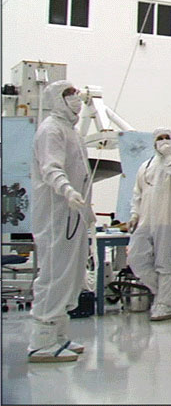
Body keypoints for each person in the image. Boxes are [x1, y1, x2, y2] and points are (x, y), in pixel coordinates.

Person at [27, 80, 94, 362]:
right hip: (57, 213)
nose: (76, 98)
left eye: (76, 93)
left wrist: (86, 210)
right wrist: (67, 191)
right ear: (56, 99)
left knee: (73, 274)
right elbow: (51, 168)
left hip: (74, 214)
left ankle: (59, 334)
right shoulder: (51, 129)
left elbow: (82, 173)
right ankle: (41, 340)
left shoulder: (71, 131)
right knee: (55, 273)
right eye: (69, 94)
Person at [127, 128, 171, 321]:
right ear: (154, 142)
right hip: (146, 220)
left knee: (167, 264)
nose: (164, 141)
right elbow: (138, 193)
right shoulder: (145, 166)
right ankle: (163, 291)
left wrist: (169, 158)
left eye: (167, 138)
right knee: (136, 258)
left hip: (169, 220)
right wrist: (134, 214)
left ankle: (165, 305)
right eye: (160, 138)